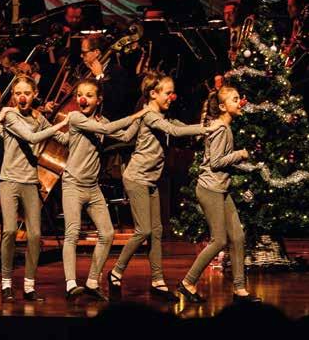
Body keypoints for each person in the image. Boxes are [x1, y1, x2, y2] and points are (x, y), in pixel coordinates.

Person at [107, 71, 222, 302]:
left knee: (157, 231)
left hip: (151, 179)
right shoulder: (150, 115)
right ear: (153, 94)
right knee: (144, 231)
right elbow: (175, 131)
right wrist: (206, 129)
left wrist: (203, 125)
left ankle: (158, 281)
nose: (172, 97)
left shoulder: (161, 115)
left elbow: (177, 126)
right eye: (168, 93)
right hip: (137, 178)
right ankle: (116, 272)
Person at [62, 78, 149, 301]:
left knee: (108, 233)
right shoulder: (76, 117)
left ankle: (92, 281)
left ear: (99, 99)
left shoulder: (102, 120)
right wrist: (135, 116)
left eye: (89, 95)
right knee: (72, 233)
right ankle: (71, 284)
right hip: (72, 184)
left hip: (92, 187)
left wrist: (144, 117)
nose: (83, 99)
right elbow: (105, 129)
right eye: (80, 94)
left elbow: (125, 136)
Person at [177, 85, 261, 304]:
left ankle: (240, 290)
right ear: (223, 106)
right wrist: (239, 154)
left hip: (221, 188)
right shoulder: (222, 129)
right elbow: (216, 162)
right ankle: (187, 282)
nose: (239, 102)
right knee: (219, 240)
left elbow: (221, 161)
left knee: (238, 237)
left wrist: (244, 162)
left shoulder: (223, 126)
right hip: (210, 189)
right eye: (235, 99)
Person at [0, 75, 69, 303]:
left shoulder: (39, 119)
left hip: (30, 180)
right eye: (18, 92)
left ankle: (29, 285)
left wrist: (79, 129)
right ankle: (6, 283)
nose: (22, 97)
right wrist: (58, 123)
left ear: (34, 95)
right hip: (9, 179)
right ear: (13, 96)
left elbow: (59, 137)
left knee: (35, 235)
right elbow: (31, 137)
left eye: (26, 93)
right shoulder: (9, 115)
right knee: (9, 230)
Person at [80, 35, 131, 120]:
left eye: (84, 53)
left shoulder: (117, 71)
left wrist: (99, 76)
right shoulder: (84, 70)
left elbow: (115, 101)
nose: (81, 56)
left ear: (96, 52)